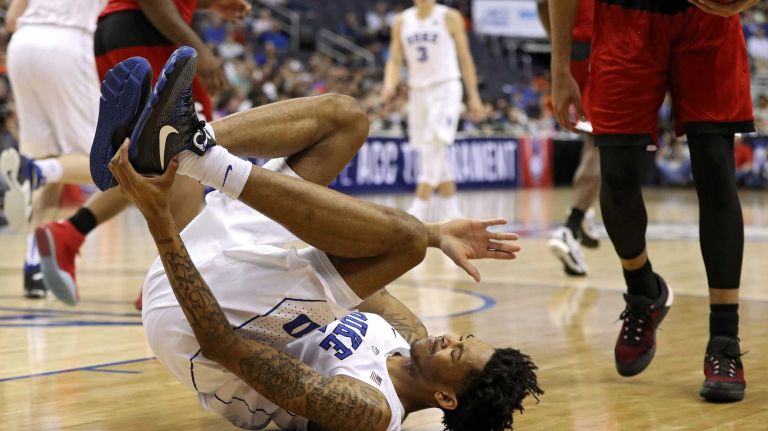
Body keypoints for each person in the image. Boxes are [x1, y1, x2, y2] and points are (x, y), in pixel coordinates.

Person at [96, 50, 543, 431]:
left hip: (195, 327)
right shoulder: (409, 333)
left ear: (446, 398)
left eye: (456, 351)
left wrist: (162, 228)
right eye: (460, 336)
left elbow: (224, 348)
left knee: (407, 242)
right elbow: (351, 249)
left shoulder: (369, 409)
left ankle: (196, 156)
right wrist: (434, 234)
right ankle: (186, 144)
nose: (448, 338)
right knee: (345, 119)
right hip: (244, 278)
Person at [550, 0, 755, 402]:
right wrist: (559, 69)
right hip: (624, 20)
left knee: (716, 170)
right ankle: (643, 289)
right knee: (619, 177)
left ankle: (724, 340)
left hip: (707, 20)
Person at [33, 0, 250, 308]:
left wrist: (208, 4)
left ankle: (69, 233)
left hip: (120, 30)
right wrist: (198, 47)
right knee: (186, 148)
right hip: (147, 28)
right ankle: (171, 281)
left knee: (150, 159)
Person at [0, 0, 106, 298]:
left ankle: (35, 268)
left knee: (48, 157)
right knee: (100, 161)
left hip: (22, 44)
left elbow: (11, 19)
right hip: (68, 42)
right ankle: (35, 171)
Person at [383, 0, 483, 222]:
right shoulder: (402, 21)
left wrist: (474, 96)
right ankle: (452, 209)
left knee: (436, 142)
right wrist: (389, 84)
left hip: (446, 86)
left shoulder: (449, 16)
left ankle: (419, 205)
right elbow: (395, 59)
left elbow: (465, 58)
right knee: (429, 148)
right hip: (418, 90)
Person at [537, 0, 601, 277]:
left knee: (594, 138)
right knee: (602, 140)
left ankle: (583, 214)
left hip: (571, 52)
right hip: (601, 50)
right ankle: (572, 225)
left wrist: (559, 49)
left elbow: (542, 4)